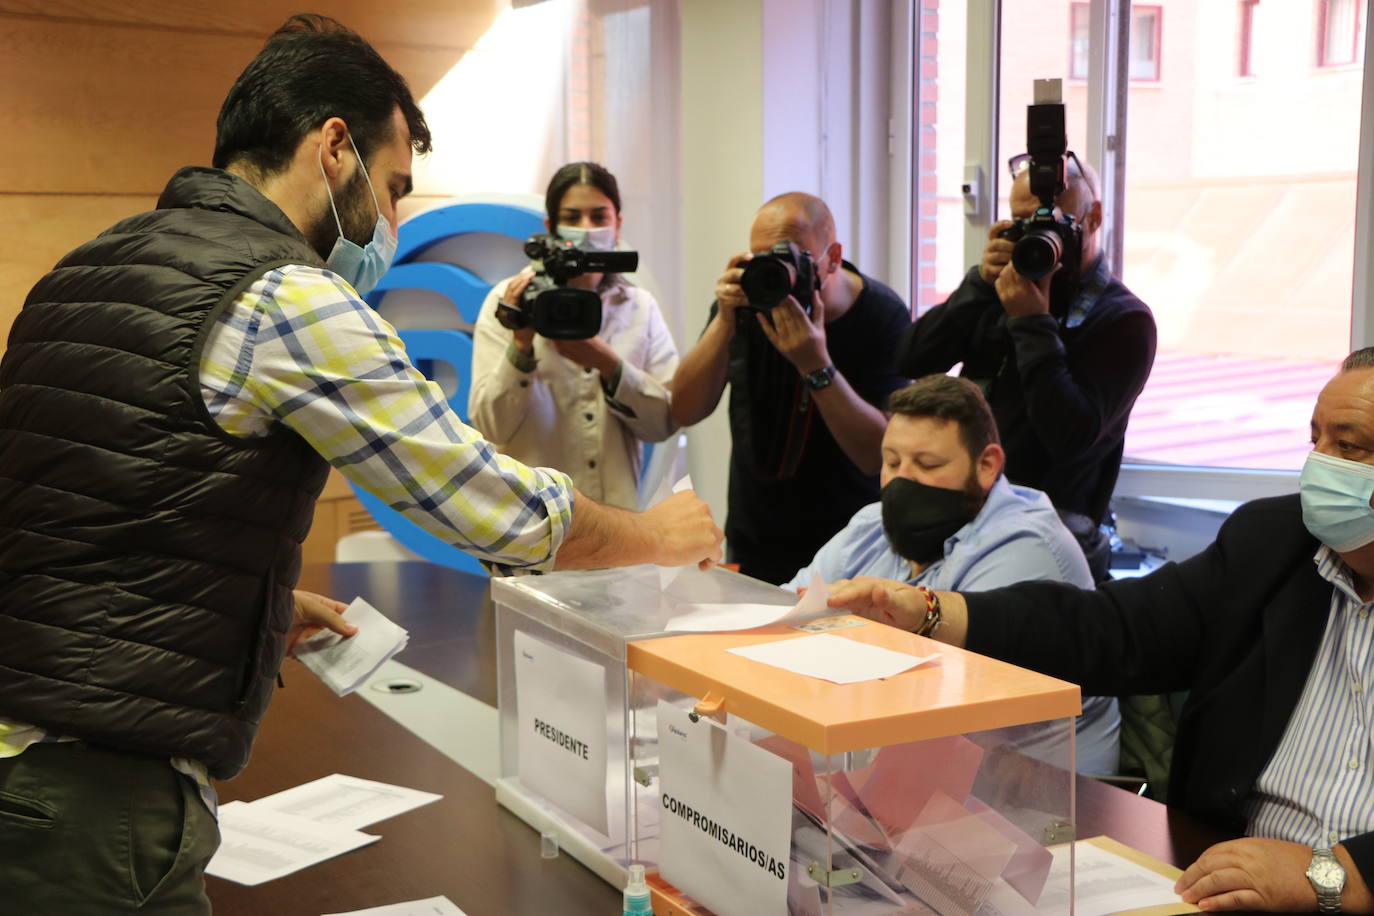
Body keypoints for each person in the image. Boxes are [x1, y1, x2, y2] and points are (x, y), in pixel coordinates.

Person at [0, 16, 719, 914]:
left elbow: (82, 509)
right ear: (333, 148)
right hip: (101, 798)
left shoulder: (82, 270)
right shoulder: (282, 294)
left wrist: (245, 596)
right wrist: (652, 534)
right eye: (391, 187)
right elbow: (485, 502)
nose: (387, 223)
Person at [827, 350, 1374, 913]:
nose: (1320, 466)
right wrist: (931, 611)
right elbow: (1109, 628)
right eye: (1315, 441)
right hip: (1225, 883)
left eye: (1348, 446)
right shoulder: (1273, 542)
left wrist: (1336, 877)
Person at [786, 375, 1117, 774]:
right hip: (907, 772)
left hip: (1039, 797)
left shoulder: (1027, 546)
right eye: (891, 462)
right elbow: (790, 609)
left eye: (927, 464)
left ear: (986, 465)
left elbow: (934, 699)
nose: (900, 480)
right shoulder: (871, 526)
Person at [898, 154, 1156, 582]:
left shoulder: (1124, 320)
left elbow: (1069, 437)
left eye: (1055, 221)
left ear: (1092, 218)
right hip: (961, 516)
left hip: (1051, 534)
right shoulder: (996, 287)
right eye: (1024, 221)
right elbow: (910, 359)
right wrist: (979, 283)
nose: (1040, 235)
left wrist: (1030, 324)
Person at [671, 192, 912, 584]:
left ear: (832, 258)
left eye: (790, 255)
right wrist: (724, 321)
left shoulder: (881, 315)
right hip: (756, 539)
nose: (776, 271)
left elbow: (877, 455)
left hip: (852, 547)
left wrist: (815, 364)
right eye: (763, 258)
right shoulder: (748, 304)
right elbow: (684, 410)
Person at [468, 162, 679, 510]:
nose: (586, 228)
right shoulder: (509, 302)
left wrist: (609, 364)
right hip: (532, 528)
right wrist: (521, 347)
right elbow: (492, 429)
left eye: (599, 217)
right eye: (573, 216)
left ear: (617, 225)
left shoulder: (639, 308)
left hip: (617, 528)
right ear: (551, 226)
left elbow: (663, 424)